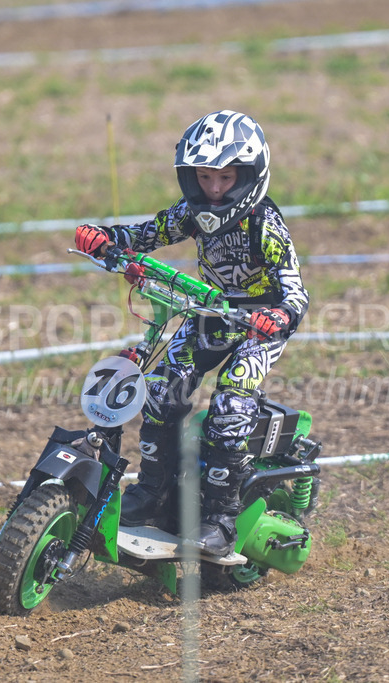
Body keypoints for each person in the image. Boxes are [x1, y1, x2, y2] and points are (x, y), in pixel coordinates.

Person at [74, 110, 309, 557]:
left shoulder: (265, 225)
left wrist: (277, 318)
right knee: (161, 391)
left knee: (229, 405)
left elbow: (295, 293)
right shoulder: (192, 211)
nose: (214, 189)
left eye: (224, 177)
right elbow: (148, 232)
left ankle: (220, 518)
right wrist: (105, 239)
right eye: (203, 177)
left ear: (249, 175)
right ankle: (151, 494)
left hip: (259, 326)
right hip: (211, 311)